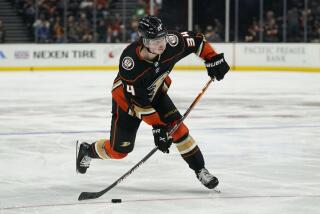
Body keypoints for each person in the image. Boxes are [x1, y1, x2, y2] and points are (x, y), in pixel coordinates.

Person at [76, 16, 230, 189]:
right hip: (128, 103)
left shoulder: (171, 43)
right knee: (119, 152)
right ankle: (87, 150)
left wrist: (213, 58)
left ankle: (200, 170)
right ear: (144, 41)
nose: (161, 44)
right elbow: (139, 104)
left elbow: (196, 40)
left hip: (156, 94)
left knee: (178, 130)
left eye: (162, 37)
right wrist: (158, 127)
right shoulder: (130, 64)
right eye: (155, 40)